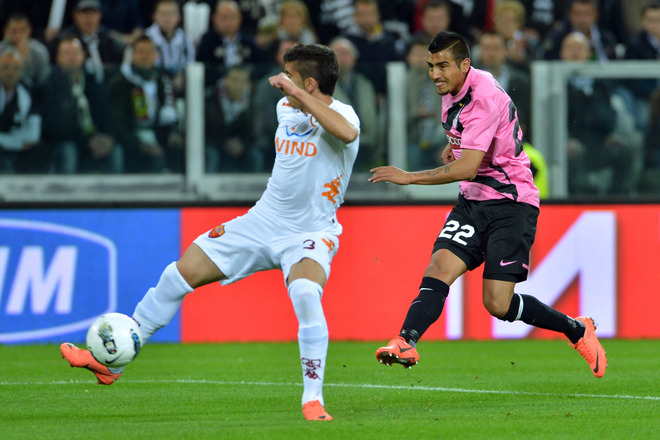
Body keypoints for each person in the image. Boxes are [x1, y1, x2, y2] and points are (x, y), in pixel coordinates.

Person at [60, 43, 360, 421]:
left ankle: (312, 399)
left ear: (310, 84)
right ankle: (115, 361)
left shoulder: (343, 114)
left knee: (304, 293)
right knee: (178, 273)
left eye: (290, 77)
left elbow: (347, 134)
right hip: (262, 220)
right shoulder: (285, 107)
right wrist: (297, 95)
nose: (281, 83)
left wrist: (299, 93)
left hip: (311, 232)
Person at [368, 31, 607, 378]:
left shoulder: (481, 98)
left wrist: (409, 177)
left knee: (497, 303)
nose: (435, 73)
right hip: (472, 200)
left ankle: (576, 329)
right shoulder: (459, 85)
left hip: (511, 203)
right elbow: (477, 140)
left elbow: (467, 166)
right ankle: (405, 341)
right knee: (439, 267)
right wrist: (461, 143)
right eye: (431, 65)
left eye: (442, 65)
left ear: (465, 65)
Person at [39, 36, 122, 173]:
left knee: (115, 150)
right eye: (66, 53)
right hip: (66, 141)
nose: (72, 58)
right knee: (68, 151)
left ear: (83, 56)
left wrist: (108, 137)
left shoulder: (94, 84)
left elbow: (108, 116)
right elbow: (53, 127)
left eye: (75, 53)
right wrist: (87, 140)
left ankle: (114, 194)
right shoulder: (49, 87)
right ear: (58, 58)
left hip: (94, 138)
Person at [107, 35, 182, 173]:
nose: (145, 56)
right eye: (141, 51)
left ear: (156, 55)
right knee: (153, 158)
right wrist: (140, 144)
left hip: (158, 134)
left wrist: (173, 133)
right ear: (133, 55)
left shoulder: (163, 80)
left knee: (180, 150)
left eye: (149, 51)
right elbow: (118, 124)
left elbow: (169, 112)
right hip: (130, 139)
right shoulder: (120, 83)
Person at [0, 49, 42, 173]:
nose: (10, 73)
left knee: (40, 150)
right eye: (5, 67)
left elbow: (34, 133)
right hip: (11, 143)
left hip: (22, 145)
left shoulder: (30, 91)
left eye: (15, 68)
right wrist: (16, 143)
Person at [0, 14, 51, 87]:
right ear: (6, 30)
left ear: (29, 30)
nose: (18, 35)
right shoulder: (1, 49)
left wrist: (25, 61)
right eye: (14, 31)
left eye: (22, 31)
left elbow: (44, 79)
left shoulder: (40, 51)